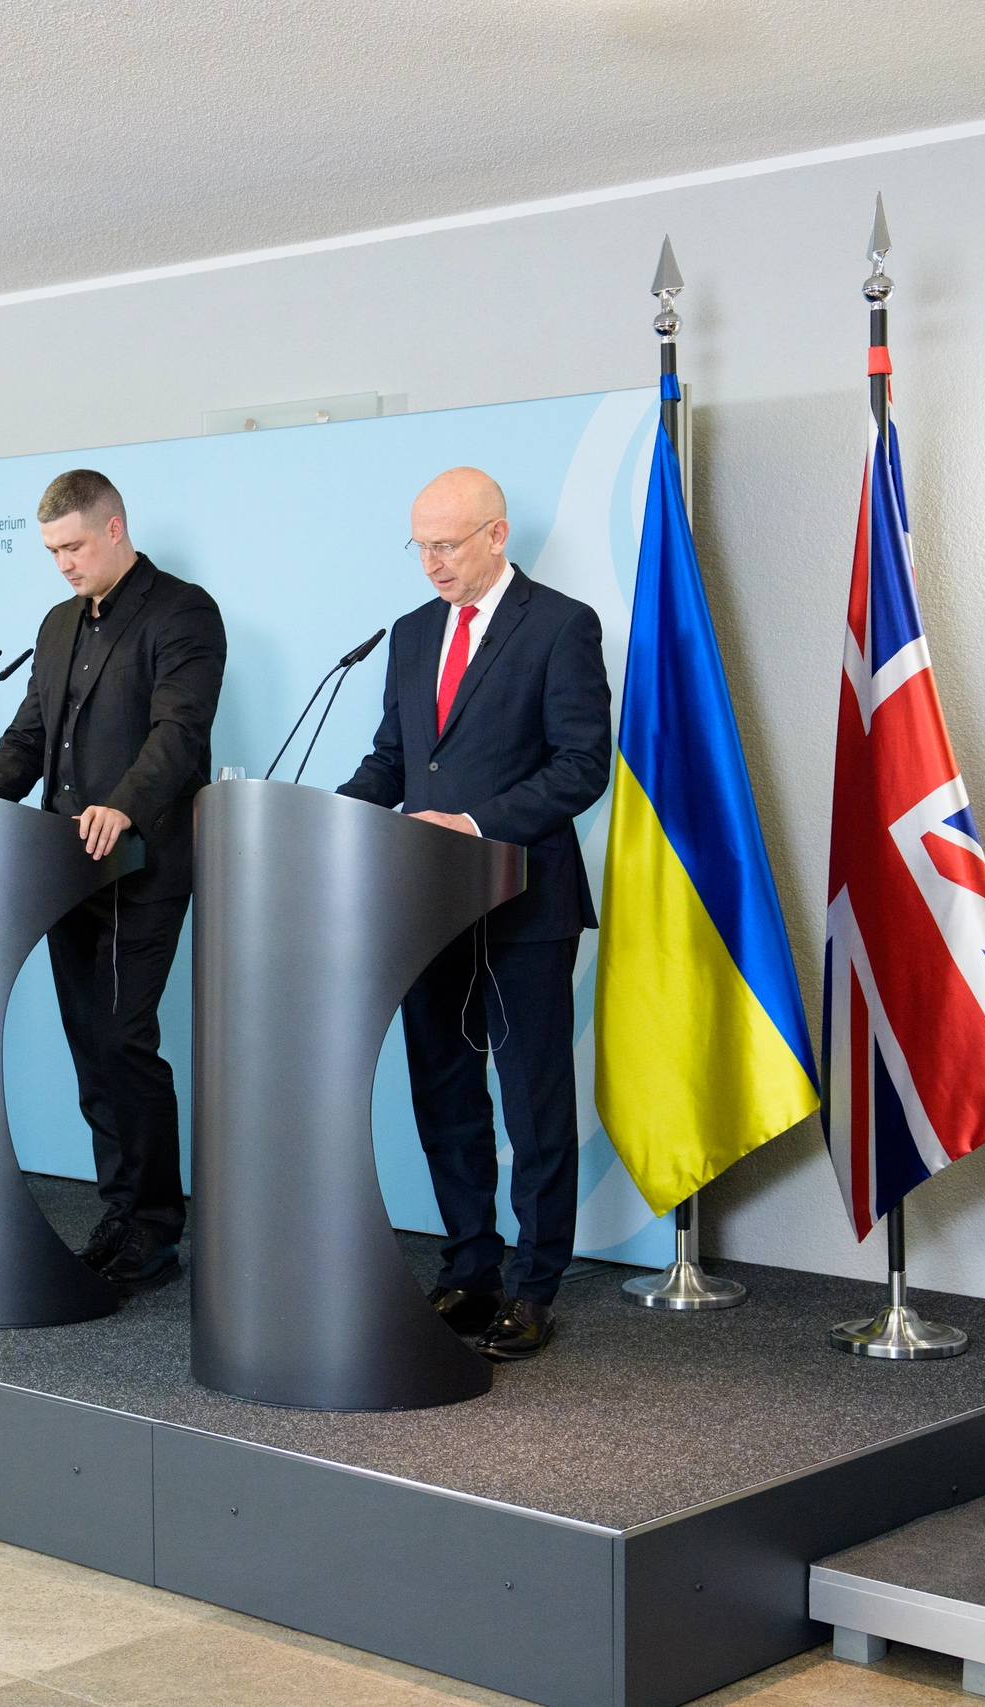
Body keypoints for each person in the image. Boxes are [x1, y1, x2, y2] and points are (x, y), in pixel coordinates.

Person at [335, 467, 610, 1362]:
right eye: (420, 546)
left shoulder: (561, 625)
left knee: (533, 1102)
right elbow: (393, 759)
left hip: (524, 901)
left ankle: (533, 1287)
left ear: (496, 535)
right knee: (445, 1094)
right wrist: (334, 814)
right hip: (427, 907)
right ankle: (471, 1267)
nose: (431, 563)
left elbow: (582, 765)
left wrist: (476, 824)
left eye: (446, 544)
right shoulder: (414, 634)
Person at [0, 470, 225, 1291]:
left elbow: (178, 735)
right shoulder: (57, 624)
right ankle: (122, 1210)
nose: (63, 563)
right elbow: (29, 736)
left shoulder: (183, 611)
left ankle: (155, 1223)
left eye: (74, 546)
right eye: (52, 551)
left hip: (141, 864)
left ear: (115, 527)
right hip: (62, 869)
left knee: (124, 1039)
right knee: (90, 1044)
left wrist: (122, 804)